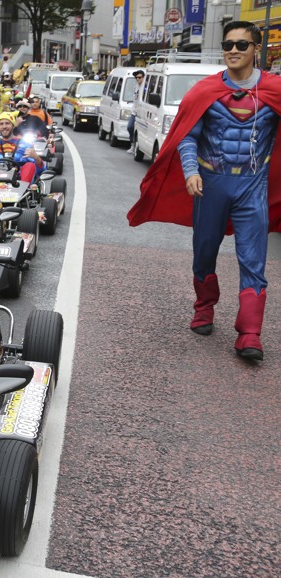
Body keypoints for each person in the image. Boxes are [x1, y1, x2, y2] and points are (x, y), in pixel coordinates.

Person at [128, 21, 281, 361]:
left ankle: (250, 333)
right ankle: (204, 306)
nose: (234, 50)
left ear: (257, 49)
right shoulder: (204, 91)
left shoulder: (274, 90)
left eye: (242, 45)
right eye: (228, 44)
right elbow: (188, 136)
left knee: (253, 260)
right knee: (204, 252)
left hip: (252, 185)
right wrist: (191, 171)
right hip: (211, 185)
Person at [0, 112, 44, 183]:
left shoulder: (26, 145)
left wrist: (36, 157)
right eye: (1, 124)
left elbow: (40, 169)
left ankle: (24, 189)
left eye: (7, 123)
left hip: (17, 181)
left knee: (30, 165)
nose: (4, 126)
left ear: (13, 125)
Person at [126, 70, 145, 155]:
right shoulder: (136, 87)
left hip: (142, 113)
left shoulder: (145, 87)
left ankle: (139, 147)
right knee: (130, 127)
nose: (138, 79)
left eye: (139, 77)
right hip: (135, 112)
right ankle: (132, 145)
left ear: (143, 77)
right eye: (136, 77)